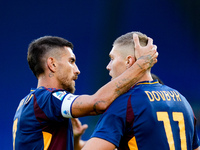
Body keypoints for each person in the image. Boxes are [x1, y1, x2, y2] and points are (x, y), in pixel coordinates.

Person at [12, 34, 158, 150]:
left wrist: (73, 141)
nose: (77, 70)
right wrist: (141, 65)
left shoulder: (30, 103)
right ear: (52, 64)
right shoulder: (45, 98)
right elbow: (98, 103)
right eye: (71, 61)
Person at [82, 31, 200, 150]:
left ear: (129, 61)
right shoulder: (183, 101)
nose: (108, 66)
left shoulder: (125, 104)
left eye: (112, 59)